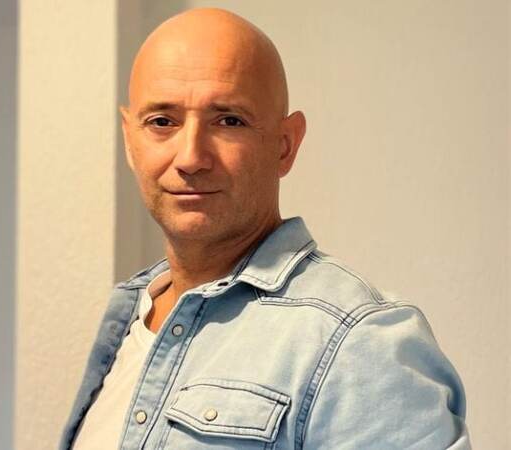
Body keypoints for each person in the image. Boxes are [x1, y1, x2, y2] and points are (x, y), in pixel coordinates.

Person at [60, 7, 470, 450]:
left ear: (285, 144)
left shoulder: (359, 341)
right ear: (129, 139)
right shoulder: (130, 315)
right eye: (162, 122)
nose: (190, 157)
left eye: (228, 121)